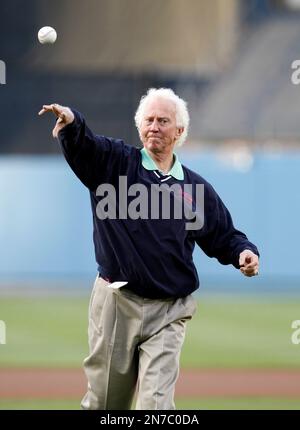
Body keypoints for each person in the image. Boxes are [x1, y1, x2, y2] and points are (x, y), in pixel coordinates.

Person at [39, 88, 259, 410]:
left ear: (179, 131)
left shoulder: (194, 188)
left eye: (163, 121)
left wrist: (243, 252)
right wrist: (72, 123)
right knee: (105, 403)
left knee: (155, 405)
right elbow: (85, 147)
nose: (154, 126)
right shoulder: (114, 163)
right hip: (117, 302)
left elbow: (223, 235)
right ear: (140, 126)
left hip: (169, 311)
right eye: (149, 120)